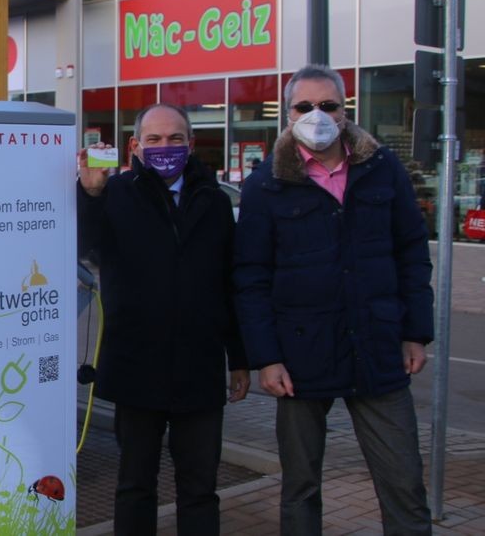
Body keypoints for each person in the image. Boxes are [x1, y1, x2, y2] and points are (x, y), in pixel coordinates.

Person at [234, 64, 434, 535]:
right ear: (287, 114)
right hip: (300, 358)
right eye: (305, 107)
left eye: (328, 105)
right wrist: (266, 358)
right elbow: (250, 277)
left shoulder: (382, 169)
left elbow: (412, 253)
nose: (317, 115)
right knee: (300, 490)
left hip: (378, 347)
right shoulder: (266, 184)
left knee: (404, 484)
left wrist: (415, 333)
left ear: (345, 112)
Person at [77, 103, 250, 535]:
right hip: (136, 368)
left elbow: (229, 282)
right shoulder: (114, 193)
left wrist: (240, 358)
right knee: (135, 487)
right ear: (135, 146)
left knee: (199, 489)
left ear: (190, 145)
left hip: (200, 370)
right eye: (153, 139)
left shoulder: (212, 201)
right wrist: (90, 194)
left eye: (175, 138)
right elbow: (84, 246)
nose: (165, 147)